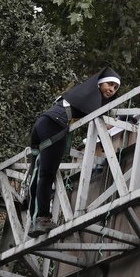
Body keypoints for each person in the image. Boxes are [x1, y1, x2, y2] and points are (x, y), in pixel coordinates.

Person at [28, 67, 121, 236]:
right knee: (46, 174)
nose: (111, 90)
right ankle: (41, 219)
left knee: (37, 172)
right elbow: (100, 122)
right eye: (110, 84)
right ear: (99, 83)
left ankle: (35, 217)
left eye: (115, 88)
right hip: (54, 126)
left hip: (43, 123)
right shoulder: (91, 99)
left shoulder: (82, 95)